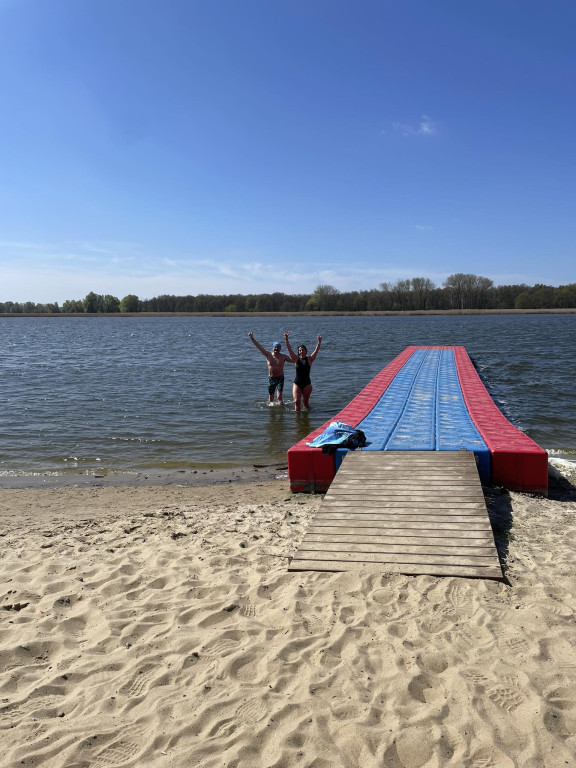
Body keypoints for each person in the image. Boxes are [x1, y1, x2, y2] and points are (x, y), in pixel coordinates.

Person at [248, 331, 292, 405]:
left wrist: (302, 358)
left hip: (280, 378)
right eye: (275, 347)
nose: (276, 349)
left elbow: (293, 360)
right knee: (271, 398)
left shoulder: (283, 356)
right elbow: (259, 347)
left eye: (278, 348)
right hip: (271, 378)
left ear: (280, 349)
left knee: (279, 397)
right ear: (273, 348)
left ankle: (281, 412)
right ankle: (271, 414)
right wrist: (252, 338)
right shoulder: (268, 355)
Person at [284, 331, 322, 411]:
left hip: (307, 384)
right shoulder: (296, 359)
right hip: (297, 383)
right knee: (297, 402)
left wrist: (319, 342)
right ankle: (297, 421)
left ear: (306, 351)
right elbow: (289, 350)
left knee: (305, 403)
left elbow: (316, 351)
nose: (301, 351)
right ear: (298, 352)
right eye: (300, 350)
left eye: (303, 350)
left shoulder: (310, 359)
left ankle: (306, 420)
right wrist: (286, 339)